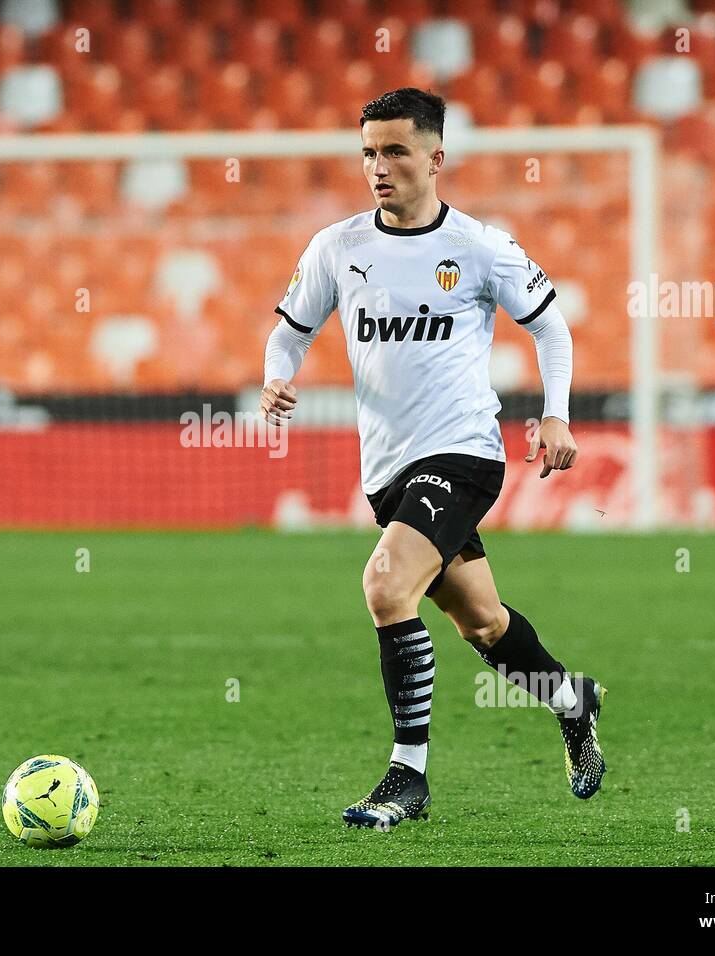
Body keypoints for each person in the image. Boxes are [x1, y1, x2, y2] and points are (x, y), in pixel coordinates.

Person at [259, 88, 606, 830]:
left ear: (436, 158)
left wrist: (554, 414)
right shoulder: (338, 247)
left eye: (394, 151)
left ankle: (406, 778)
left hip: (464, 452)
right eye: (367, 153)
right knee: (482, 624)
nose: (377, 167)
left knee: (386, 586)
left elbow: (552, 329)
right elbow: (289, 331)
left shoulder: (479, 247)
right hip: (387, 469)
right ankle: (573, 701)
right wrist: (276, 375)